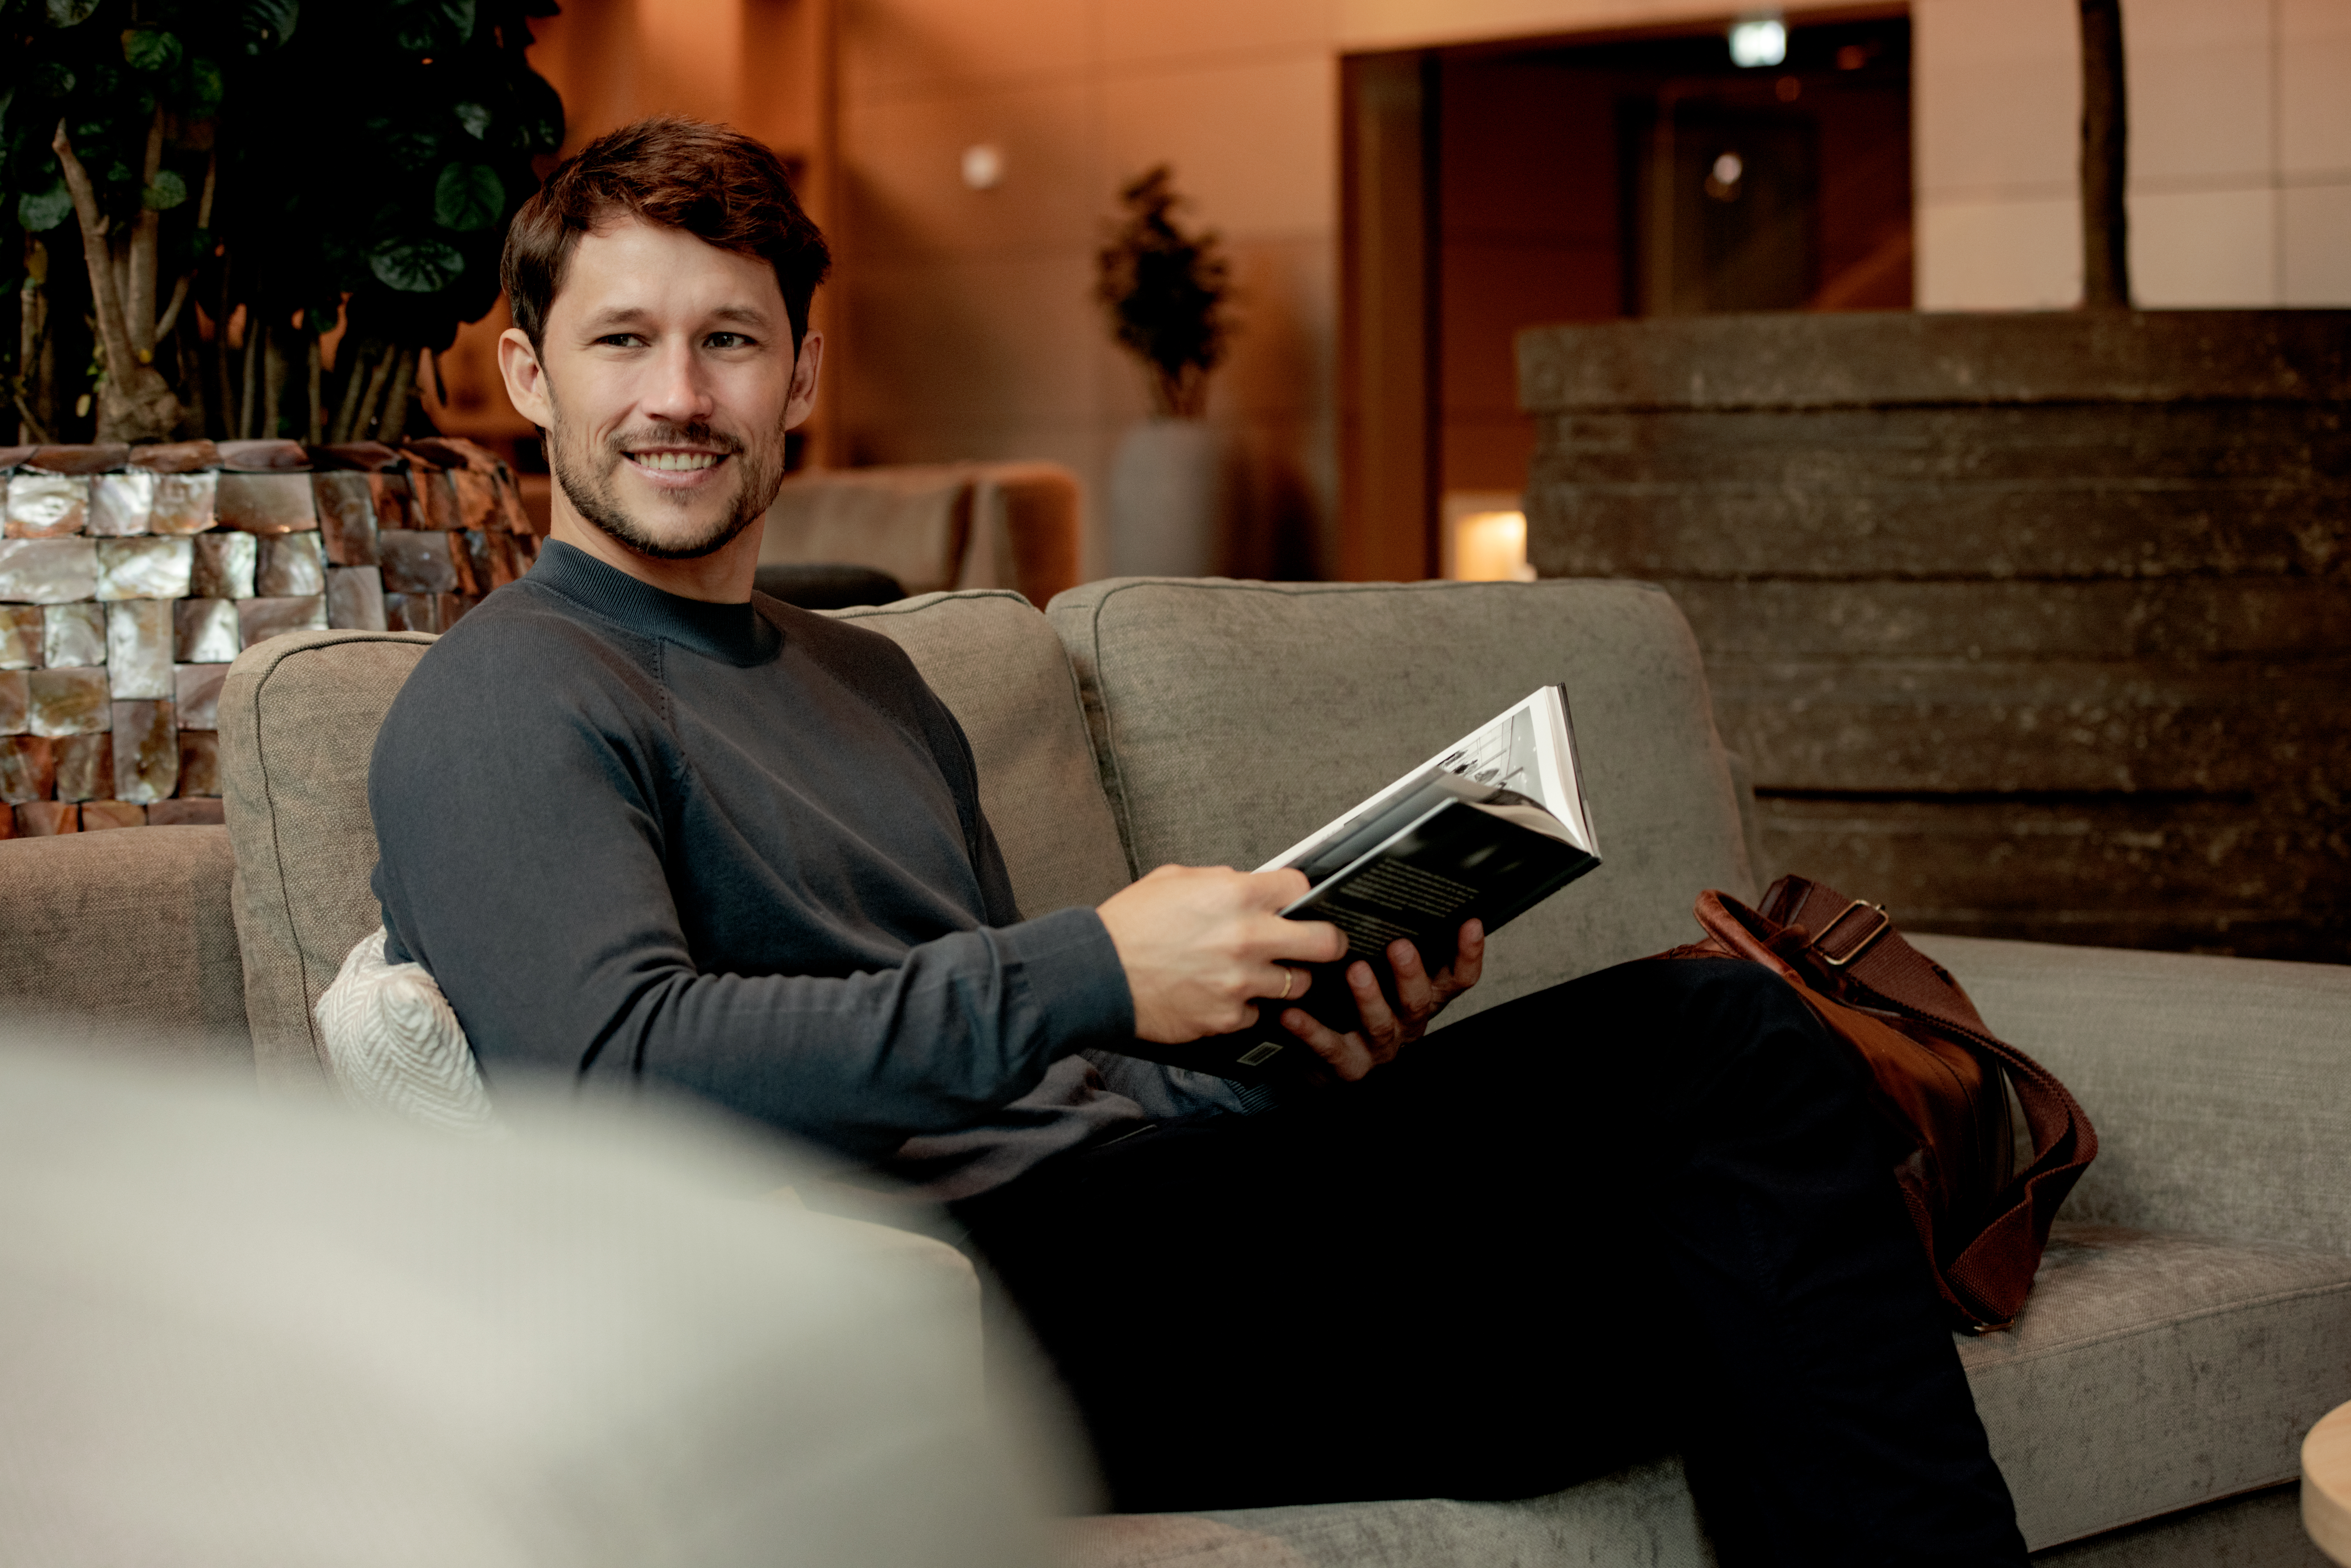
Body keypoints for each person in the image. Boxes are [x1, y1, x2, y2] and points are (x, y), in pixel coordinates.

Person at [368, 116, 2028, 1566]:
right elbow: (607, 1067)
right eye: (623, 342)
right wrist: (1095, 966)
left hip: (1149, 1239)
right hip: (960, 1316)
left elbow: (1044, 1080)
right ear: (529, 376)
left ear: (803, 374)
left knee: (1761, 1254)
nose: (679, 396)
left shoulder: (876, 680)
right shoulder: (509, 689)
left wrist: (1284, 1062)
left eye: (730, 342)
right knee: (1714, 1045)